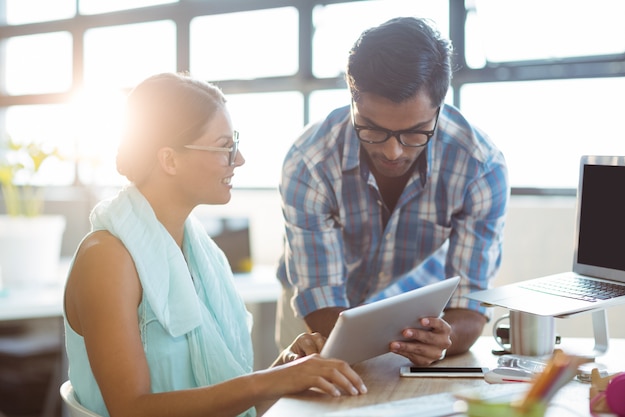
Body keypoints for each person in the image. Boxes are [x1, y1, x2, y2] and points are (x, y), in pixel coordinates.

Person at [63, 72, 367, 417]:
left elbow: (222, 395)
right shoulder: (106, 258)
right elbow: (131, 410)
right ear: (169, 160)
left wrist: (289, 367)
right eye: (225, 146)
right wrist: (273, 380)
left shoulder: (202, 253)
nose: (238, 160)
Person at [275, 17, 509, 365]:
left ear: (439, 108)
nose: (392, 152)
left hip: (407, 314)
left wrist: (444, 339)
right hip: (316, 310)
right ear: (352, 99)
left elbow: (470, 304)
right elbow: (319, 296)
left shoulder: (480, 167)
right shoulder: (310, 162)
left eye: (415, 133)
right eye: (372, 129)